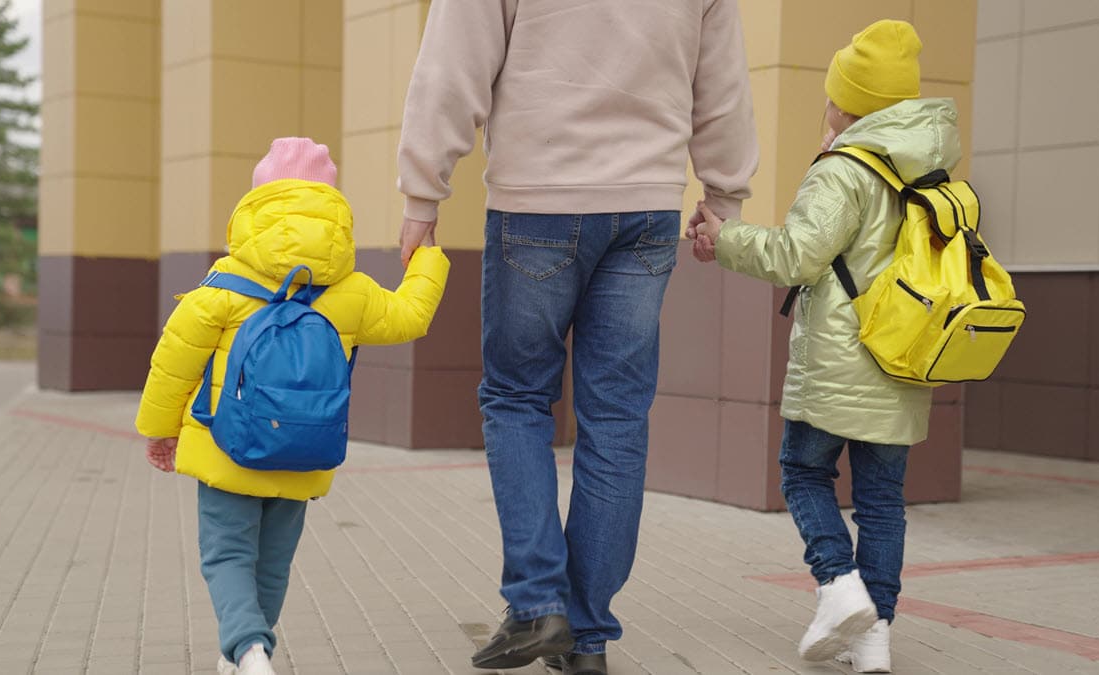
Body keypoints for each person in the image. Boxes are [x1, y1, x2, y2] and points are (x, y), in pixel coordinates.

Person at [396, 1, 758, 672]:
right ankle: (585, 637)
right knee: (616, 419)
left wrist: (423, 194)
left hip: (537, 200)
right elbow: (724, 83)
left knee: (516, 398)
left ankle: (539, 605)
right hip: (647, 208)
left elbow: (453, 63)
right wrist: (726, 197)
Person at [691, 19, 953, 674]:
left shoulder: (845, 170)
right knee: (882, 500)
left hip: (841, 361)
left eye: (834, 93)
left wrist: (722, 238)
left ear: (853, 101)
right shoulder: (930, 168)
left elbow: (797, 255)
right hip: (903, 362)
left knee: (803, 471)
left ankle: (839, 587)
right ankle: (875, 636)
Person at [135, 138, 449, 675]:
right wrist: (429, 256)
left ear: (258, 205)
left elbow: (174, 363)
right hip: (305, 447)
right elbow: (410, 316)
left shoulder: (224, 285)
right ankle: (244, 652)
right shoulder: (350, 290)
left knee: (227, 554)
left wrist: (160, 430)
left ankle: (249, 650)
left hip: (224, 445)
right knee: (273, 564)